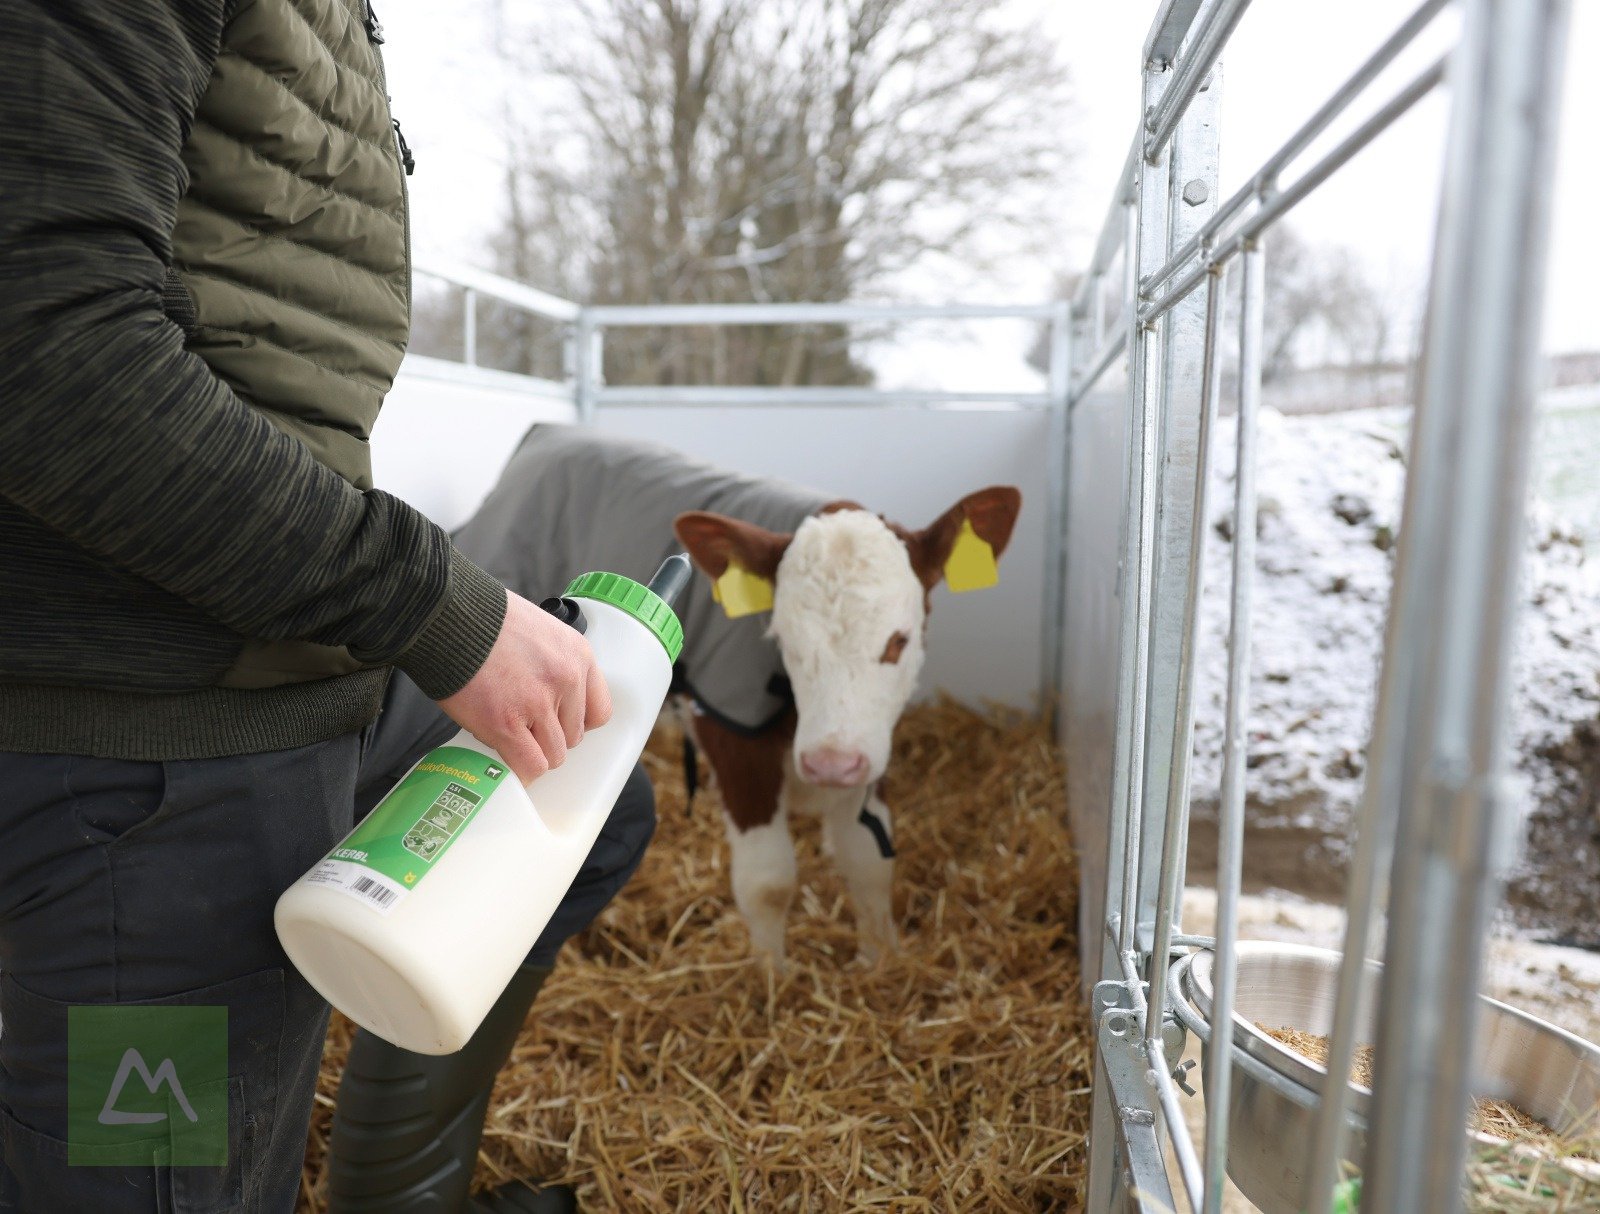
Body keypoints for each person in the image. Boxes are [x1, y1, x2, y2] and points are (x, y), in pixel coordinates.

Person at [0, 2, 655, 1211]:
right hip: (152, 738)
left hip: (286, 654)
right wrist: (437, 607)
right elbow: (46, 358)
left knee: (588, 795)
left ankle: (394, 1177)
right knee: (158, 1178)